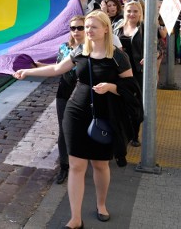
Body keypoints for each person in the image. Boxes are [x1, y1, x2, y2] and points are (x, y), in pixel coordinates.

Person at [14, 11, 139, 229]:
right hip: (76, 112)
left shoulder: (118, 56)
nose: (88, 31)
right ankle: (75, 218)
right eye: (86, 27)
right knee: (76, 165)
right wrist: (28, 71)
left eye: (92, 27)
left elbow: (131, 89)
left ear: (106, 29)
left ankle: (101, 205)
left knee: (100, 164)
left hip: (104, 115)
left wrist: (111, 87)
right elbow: (56, 69)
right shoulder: (80, 51)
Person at [36, 15, 85, 185]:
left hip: (84, 96)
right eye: (73, 28)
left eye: (80, 27)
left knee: (82, 130)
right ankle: (64, 167)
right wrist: (37, 66)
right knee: (64, 130)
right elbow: (57, 68)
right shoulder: (64, 47)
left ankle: (82, 164)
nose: (77, 31)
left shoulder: (91, 49)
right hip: (64, 93)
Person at [113, 0, 145, 148]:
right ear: (124, 12)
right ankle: (120, 132)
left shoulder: (144, 28)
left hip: (136, 72)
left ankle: (134, 134)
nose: (132, 14)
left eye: (135, 11)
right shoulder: (117, 27)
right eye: (129, 11)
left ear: (140, 13)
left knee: (135, 103)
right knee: (119, 101)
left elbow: (157, 47)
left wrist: (151, 55)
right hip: (118, 71)